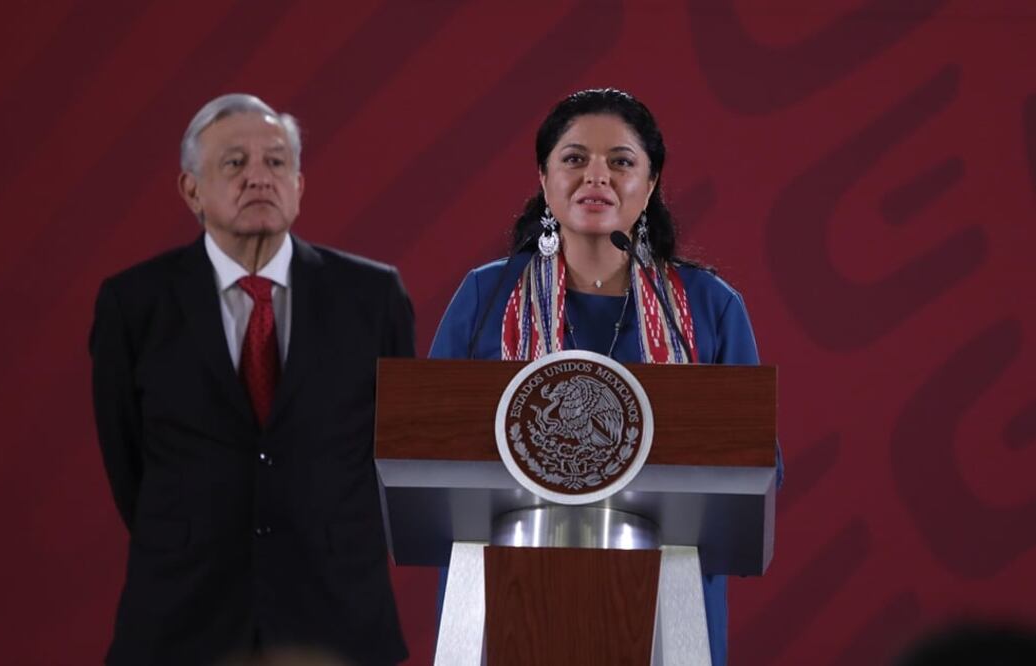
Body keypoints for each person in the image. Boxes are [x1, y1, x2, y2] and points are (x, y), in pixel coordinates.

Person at [429, 88, 783, 665]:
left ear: (650, 184)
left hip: (667, 601)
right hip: (509, 591)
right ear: (544, 180)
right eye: (574, 159)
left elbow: (757, 464)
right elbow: (428, 446)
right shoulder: (486, 296)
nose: (597, 176)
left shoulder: (707, 306)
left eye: (620, 161)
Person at [90, 93, 412, 666]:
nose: (258, 178)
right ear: (192, 189)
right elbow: (127, 459)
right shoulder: (133, 303)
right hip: (183, 614)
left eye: (276, 162)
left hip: (337, 613)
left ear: (299, 185)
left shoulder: (372, 296)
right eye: (234, 163)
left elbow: (394, 447)